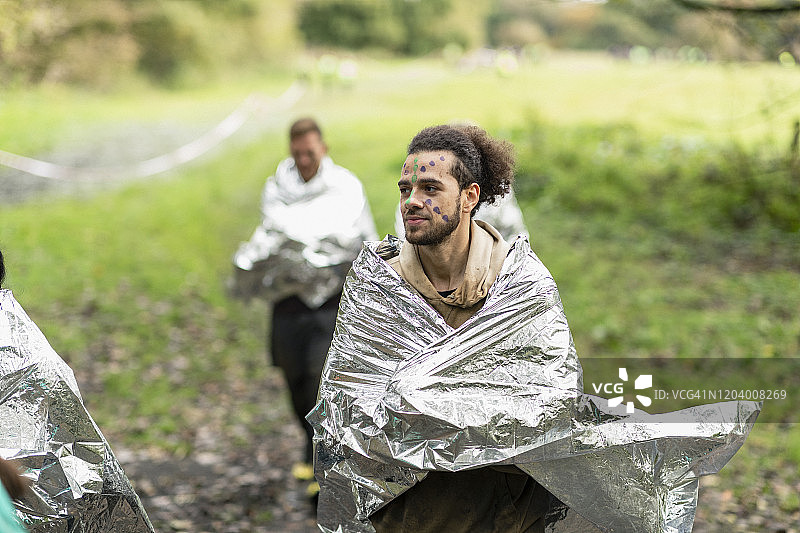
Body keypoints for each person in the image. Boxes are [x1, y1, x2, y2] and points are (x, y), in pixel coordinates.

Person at [230, 118, 377, 491]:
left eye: (309, 152)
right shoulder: (278, 187)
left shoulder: (345, 187)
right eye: (297, 153)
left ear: (323, 149)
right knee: (293, 377)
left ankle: (323, 464)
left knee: (318, 377)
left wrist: (311, 246)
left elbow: (358, 237)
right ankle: (309, 442)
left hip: (329, 301)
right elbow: (273, 235)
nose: (304, 160)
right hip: (287, 300)